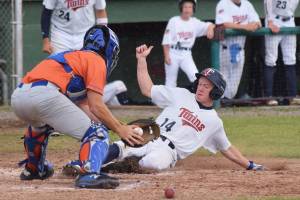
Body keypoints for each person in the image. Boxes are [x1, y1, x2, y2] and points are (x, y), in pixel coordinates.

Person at [64, 44, 264, 172]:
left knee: (150, 164)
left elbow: (226, 148)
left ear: (216, 92)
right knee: (123, 143)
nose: (201, 87)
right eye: (201, 83)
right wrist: (141, 61)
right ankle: (86, 164)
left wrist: (249, 164)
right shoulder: (181, 94)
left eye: (207, 85)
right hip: (151, 132)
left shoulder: (214, 122)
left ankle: (117, 167)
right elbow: (147, 89)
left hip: (170, 152)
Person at [10, 25, 143, 189]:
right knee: (97, 132)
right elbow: (96, 106)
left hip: (19, 97)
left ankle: (34, 168)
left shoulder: (73, 56)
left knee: (41, 125)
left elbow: (87, 110)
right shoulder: (96, 60)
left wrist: (121, 126)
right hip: (44, 96)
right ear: (109, 50)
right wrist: (119, 129)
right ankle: (89, 174)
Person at [162, 0, 215, 87]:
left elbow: (210, 25)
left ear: (193, 9)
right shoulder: (174, 21)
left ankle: (198, 99)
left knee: (195, 77)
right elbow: (166, 40)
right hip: (173, 52)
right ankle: (169, 100)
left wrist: (210, 29)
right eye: (185, 7)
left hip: (186, 54)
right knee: (170, 81)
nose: (187, 9)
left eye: (190, 7)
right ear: (181, 8)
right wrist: (166, 55)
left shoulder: (194, 22)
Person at [215, 0, 261, 99]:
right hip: (225, 48)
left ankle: (227, 100)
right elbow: (224, 23)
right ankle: (220, 100)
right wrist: (245, 27)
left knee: (235, 82)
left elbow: (258, 22)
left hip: (239, 49)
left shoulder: (247, 4)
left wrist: (254, 25)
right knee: (223, 77)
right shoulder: (223, 3)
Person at [264, 0, 299, 106]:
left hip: (290, 21)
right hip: (275, 20)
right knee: (271, 59)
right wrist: (270, 20)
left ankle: (293, 96)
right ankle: (268, 97)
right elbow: (267, 1)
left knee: (291, 59)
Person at [41, 0, 108, 54]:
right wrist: (46, 41)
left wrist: (102, 35)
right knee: (59, 67)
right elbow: (46, 13)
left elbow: (101, 11)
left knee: (86, 67)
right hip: (61, 35)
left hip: (87, 34)